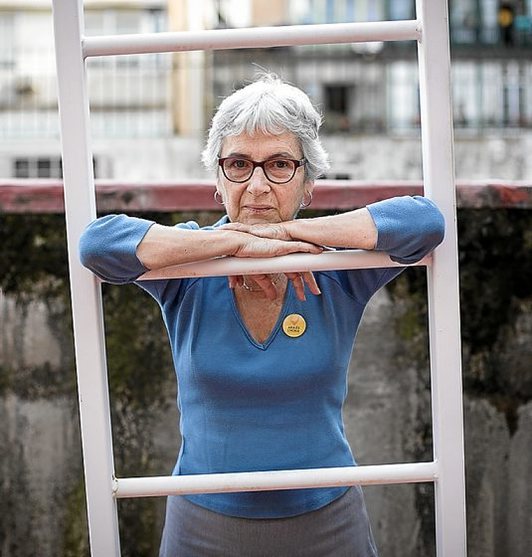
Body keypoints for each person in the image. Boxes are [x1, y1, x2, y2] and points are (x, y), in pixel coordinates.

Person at [79, 74, 445, 557]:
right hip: (201, 523)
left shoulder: (336, 268)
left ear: (308, 182)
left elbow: (424, 222)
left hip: (328, 522)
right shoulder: (190, 265)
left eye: (279, 165)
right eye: (238, 164)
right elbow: (98, 244)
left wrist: (293, 236)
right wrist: (232, 243)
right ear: (217, 179)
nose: (256, 186)